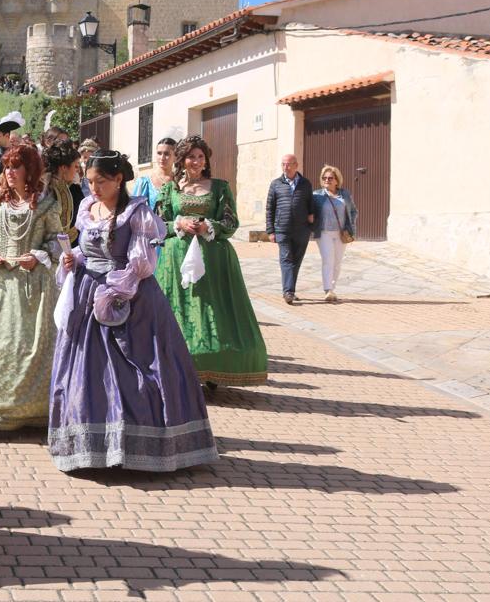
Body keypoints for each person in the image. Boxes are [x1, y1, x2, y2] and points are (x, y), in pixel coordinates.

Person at [50, 150, 218, 472]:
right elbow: (86, 249)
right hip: (89, 297)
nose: (94, 188)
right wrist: (73, 259)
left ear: (118, 179)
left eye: (100, 181)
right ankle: (92, 446)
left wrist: (116, 288)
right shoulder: (88, 209)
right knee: (89, 375)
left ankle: (137, 446)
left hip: (133, 299)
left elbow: (140, 264)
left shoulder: (136, 214)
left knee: (140, 371)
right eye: (89, 182)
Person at [156, 136, 267, 387]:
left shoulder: (219, 188)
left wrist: (208, 225)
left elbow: (230, 223)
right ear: (182, 160)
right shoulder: (170, 189)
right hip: (177, 260)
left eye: (200, 157)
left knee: (213, 311)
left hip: (214, 261)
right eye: (191, 157)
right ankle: (180, 366)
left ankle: (215, 367)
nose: (196, 162)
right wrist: (179, 224)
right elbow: (157, 224)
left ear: (206, 160)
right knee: (181, 310)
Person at [0, 144, 61, 440]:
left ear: (29, 171)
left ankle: (33, 413)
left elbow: (57, 242)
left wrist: (39, 255)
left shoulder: (46, 205)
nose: (9, 172)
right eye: (6, 166)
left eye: (15, 166)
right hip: (0, 284)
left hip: (33, 285)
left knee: (30, 347)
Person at [266, 153, 315, 304]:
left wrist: (311, 219)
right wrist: (270, 230)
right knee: (286, 259)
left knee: (296, 261)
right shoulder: (276, 184)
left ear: (296, 165)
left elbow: (311, 204)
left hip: (302, 230)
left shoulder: (306, 184)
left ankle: (290, 290)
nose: (285, 167)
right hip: (282, 229)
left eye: (288, 164)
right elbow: (270, 208)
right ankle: (288, 291)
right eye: (283, 164)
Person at [312, 165, 358, 303]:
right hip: (324, 232)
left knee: (337, 262)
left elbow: (353, 211)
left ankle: (332, 287)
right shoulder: (316, 195)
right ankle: (328, 290)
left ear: (337, 180)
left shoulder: (345, 195)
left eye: (330, 178)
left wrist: (351, 226)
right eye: (324, 178)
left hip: (341, 233)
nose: (327, 180)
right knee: (328, 260)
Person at [42, 139, 82, 246]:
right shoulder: (73, 191)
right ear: (64, 168)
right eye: (75, 166)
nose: (77, 170)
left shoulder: (38, 185)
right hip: (59, 250)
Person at [132, 137, 177, 210]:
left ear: (175, 157)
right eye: (159, 153)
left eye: (166, 154)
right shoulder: (144, 182)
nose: (162, 158)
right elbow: (133, 210)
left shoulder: (181, 181)